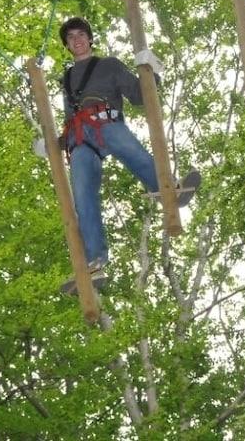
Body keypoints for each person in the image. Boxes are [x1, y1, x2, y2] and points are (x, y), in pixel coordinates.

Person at [43, 17, 199, 295]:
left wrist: (151, 69)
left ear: (90, 39)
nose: (77, 40)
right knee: (82, 195)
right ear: (67, 45)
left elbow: (140, 96)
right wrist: (53, 145)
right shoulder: (66, 79)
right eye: (71, 38)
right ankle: (94, 261)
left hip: (106, 122)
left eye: (81, 35)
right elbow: (69, 118)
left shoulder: (109, 65)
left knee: (129, 147)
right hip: (80, 139)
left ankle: (167, 189)